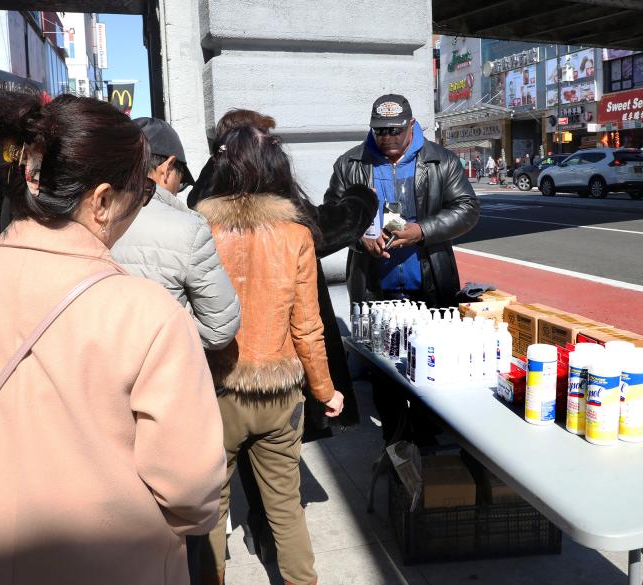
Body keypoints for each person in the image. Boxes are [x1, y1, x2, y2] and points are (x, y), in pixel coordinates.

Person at [0, 92, 226, 585]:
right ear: (103, 201)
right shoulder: (149, 314)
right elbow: (193, 490)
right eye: (143, 195)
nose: (143, 206)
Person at [186, 109, 376, 563]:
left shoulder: (198, 229)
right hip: (279, 392)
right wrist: (325, 391)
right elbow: (307, 328)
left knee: (211, 510)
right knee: (286, 507)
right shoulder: (296, 235)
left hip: (218, 390)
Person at [323, 93, 479, 443]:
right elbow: (330, 219)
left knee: (430, 368)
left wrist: (422, 230)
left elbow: (467, 209)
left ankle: (426, 436)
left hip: (429, 283)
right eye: (380, 131)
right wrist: (360, 240)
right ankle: (395, 442)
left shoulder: (441, 161)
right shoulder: (350, 164)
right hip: (374, 288)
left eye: (395, 130)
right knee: (385, 373)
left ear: (411, 125)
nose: (388, 137)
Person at [112, 118, 241, 351]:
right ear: (168, 167)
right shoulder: (189, 229)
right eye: (180, 182)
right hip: (164, 369)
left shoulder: (91, 216)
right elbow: (219, 329)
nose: (177, 190)